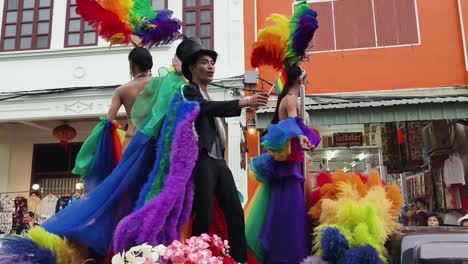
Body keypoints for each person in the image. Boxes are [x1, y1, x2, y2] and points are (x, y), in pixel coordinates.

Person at [178, 37, 269, 263]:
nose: (211, 66)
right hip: (202, 161)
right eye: (204, 62)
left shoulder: (208, 94)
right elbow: (205, 109)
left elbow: (213, 107)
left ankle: (239, 260)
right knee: (205, 213)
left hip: (218, 162)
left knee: (235, 213)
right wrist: (245, 102)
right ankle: (196, 257)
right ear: (191, 68)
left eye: (212, 62)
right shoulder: (188, 91)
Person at [245, 65, 320, 264]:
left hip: (289, 166)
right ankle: (291, 257)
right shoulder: (291, 99)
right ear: (299, 80)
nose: (307, 82)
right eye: (306, 78)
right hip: (290, 167)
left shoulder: (284, 100)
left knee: (283, 211)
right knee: (291, 213)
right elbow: (291, 124)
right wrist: (302, 136)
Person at [107, 47, 153, 151]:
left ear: (132, 63)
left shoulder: (121, 90)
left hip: (131, 142)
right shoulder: (160, 84)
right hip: (153, 142)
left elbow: (108, 121)